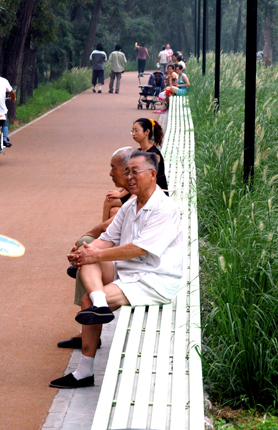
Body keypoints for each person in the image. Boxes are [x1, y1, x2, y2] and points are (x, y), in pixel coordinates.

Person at [49, 151, 183, 389]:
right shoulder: (131, 204)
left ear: (152, 175)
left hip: (153, 280)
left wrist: (95, 254)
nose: (129, 177)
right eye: (127, 172)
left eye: (135, 172)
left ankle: (84, 372)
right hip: (129, 271)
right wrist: (83, 252)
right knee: (88, 257)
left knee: (87, 299)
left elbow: (139, 249)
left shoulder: (164, 208)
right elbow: (107, 239)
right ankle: (100, 303)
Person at [58, 147, 135, 350]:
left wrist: (91, 248)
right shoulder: (128, 199)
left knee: (89, 254)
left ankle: (93, 305)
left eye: (113, 168)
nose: (110, 173)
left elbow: (134, 246)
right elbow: (108, 230)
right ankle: (95, 303)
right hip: (124, 264)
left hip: (137, 275)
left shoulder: (146, 200)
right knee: (87, 254)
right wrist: (86, 249)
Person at [132, 118, 169, 194]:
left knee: (111, 201)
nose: (133, 134)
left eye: (136, 130)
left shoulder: (154, 154)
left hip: (156, 194)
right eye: (132, 131)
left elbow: (142, 178)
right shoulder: (139, 151)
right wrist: (119, 191)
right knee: (113, 203)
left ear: (147, 132)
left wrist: (121, 194)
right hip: (142, 190)